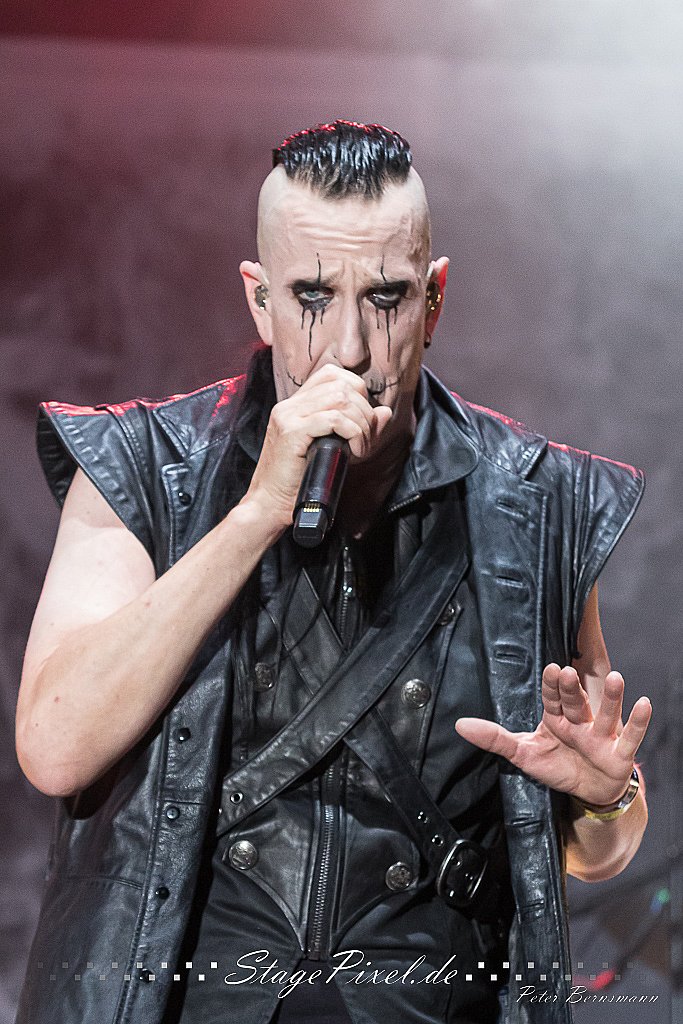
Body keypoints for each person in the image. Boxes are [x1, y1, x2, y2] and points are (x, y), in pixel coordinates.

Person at [15, 120, 651, 1024]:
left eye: (385, 298)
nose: (348, 348)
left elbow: (596, 849)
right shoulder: (138, 466)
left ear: (434, 301)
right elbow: (54, 746)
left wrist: (604, 801)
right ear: (258, 299)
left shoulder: (539, 502)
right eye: (312, 296)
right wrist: (254, 515)